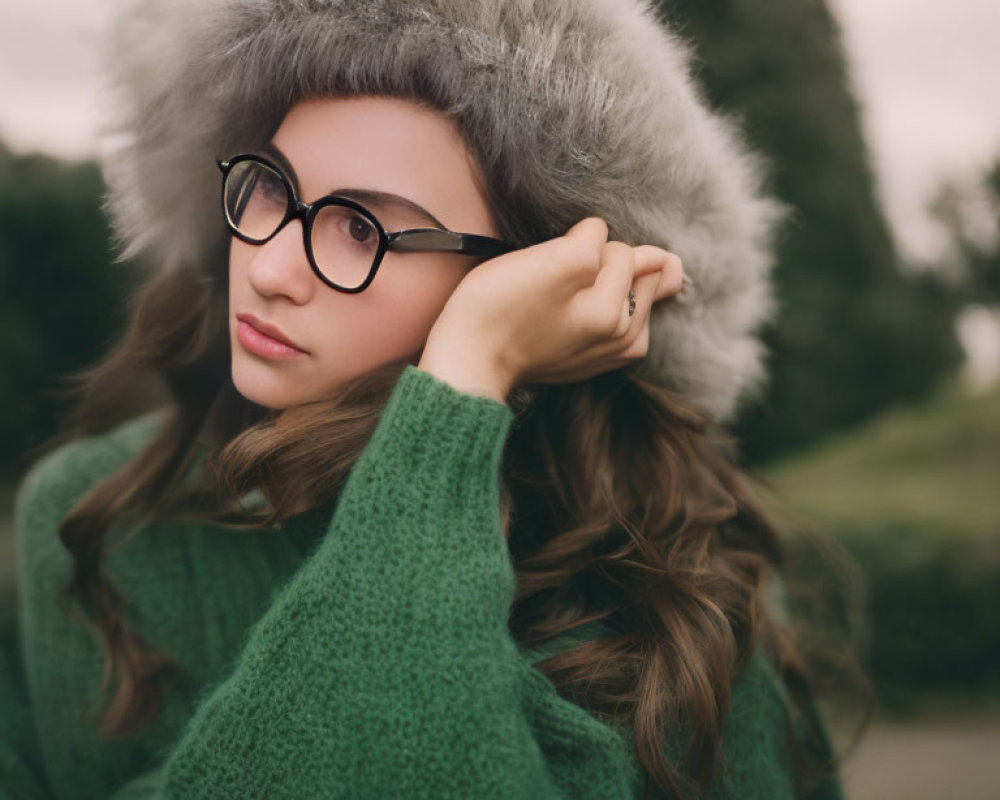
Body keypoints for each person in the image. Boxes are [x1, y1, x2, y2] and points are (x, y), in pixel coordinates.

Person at [2, 0, 853, 798]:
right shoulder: (99, 520)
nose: (267, 269)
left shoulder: (675, 568)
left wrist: (463, 381)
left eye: (361, 229)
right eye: (268, 186)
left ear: (531, 278)